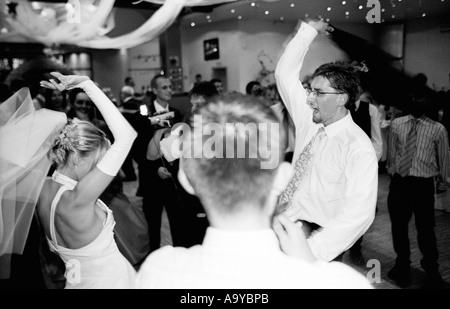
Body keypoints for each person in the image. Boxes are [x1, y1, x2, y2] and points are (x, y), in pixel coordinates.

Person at [136, 93, 373, 289]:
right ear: (283, 177)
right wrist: (311, 265)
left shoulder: (158, 271)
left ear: (187, 180)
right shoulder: (342, 283)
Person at [275, 19, 378, 262]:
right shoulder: (310, 120)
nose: (309, 98)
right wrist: (309, 31)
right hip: (284, 225)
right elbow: (284, 74)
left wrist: (311, 250)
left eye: (319, 93)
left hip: (318, 243)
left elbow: (360, 213)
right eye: (310, 90)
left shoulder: (358, 147)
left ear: (342, 99)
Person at [37, 72, 137, 288]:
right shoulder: (77, 198)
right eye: (96, 162)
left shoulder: (41, 189)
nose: (98, 170)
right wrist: (86, 84)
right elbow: (127, 136)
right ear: (77, 157)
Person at [386, 94, 449, 289]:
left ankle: (431, 269)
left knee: (425, 229)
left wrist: (443, 181)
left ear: (428, 103)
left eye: (423, 99)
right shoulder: (397, 124)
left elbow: (444, 156)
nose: (418, 102)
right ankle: (402, 263)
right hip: (400, 182)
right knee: (398, 226)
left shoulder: (437, 129)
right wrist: (392, 170)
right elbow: (392, 152)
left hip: (423, 184)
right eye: (414, 98)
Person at [128, 74, 181, 251]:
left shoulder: (177, 113)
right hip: (152, 180)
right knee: (153, 226)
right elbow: (137, 149)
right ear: (155, 90)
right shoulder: (142, 116)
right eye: (164, 87)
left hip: (173, 180)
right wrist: (154, 168)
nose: (169, 90)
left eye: (170, 87)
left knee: (177, 224)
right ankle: (153, 261)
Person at [347, 89, 383, 265]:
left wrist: (370, 163)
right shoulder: (339, 107)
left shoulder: (371, 110)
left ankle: (356, 247)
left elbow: (377, 140)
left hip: (363, 165)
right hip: (342, 165)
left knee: (361, 207)